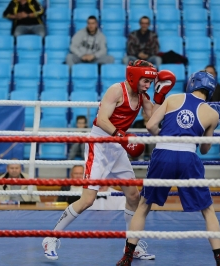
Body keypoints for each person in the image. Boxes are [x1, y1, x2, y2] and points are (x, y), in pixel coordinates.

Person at [42, 60, 176, 262]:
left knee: (133, 196)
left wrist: (159, 96)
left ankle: (133, 246)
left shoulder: (143, 96)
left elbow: (152, 121)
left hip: (117, 145)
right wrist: (122, 136)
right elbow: (103, 119)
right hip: (100, 143)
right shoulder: (116, 90)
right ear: (134, 77)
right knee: (87, 199)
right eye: (145, 80)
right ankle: (50, 238)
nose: (148, 85)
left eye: (150, 81)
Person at [116, 71, 220, 266]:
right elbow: (205, 149)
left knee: (144, 205)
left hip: (163, 154)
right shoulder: (213, 114)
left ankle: (127, 257)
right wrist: (210, 126)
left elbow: (151, 125)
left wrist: (166, 137)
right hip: (188, 157)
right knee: (208, 210)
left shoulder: (174, 98)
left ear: (192, 84)